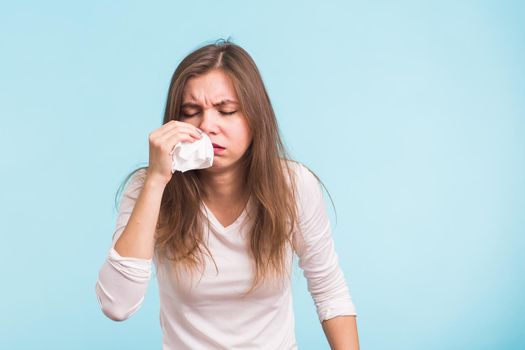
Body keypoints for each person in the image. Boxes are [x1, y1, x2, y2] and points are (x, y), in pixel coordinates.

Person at [95, 39, 359, 350]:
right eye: (191, 111)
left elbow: (329, 290)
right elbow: (117, 305)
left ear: (255, 117)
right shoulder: (148, 186)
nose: (208, 126)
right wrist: (156, 180)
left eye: (227, 111)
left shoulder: (294, 185)